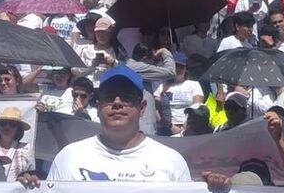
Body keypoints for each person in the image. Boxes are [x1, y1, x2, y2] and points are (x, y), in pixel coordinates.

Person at [45, 65, 191, 182]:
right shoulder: (68, 158)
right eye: (109, 97)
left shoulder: (171, 162)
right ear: (98, 106)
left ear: (142, 108)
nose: (117, 103)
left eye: (126, 97)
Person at [154, 53, 204, 135]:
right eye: (175, 66)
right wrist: (171, 127)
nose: (178, 69)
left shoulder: (194, 84)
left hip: (189, 128)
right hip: (166, 128)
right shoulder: (161, 86)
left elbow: (197, 107)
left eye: (181, 66)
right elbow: (156, 111)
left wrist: (186, 127)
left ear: (186, 68)